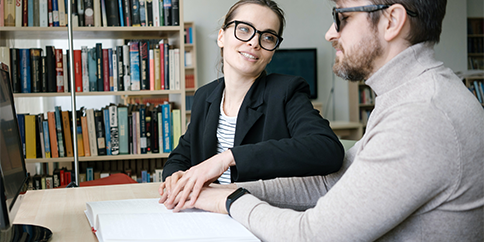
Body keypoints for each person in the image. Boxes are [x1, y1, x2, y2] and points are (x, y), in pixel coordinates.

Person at [164, 0, 484, 241]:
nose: (329, 33)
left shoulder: (421, 112)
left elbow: (312, 236)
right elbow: (334, 182)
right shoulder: (409, 97)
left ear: (392, 20)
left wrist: (232, 198)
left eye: (341, 17)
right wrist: (225, 191)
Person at [159, 0, 345, 211]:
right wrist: (175, 178)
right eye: (245, 29)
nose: (254, 42)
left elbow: (327, 149)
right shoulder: (205, 96)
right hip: (209, 215)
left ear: (272, 51)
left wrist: (228, 157)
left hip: (262, 216)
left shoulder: (286, 91)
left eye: (267, 37)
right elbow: (180, 156)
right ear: (222, 37)